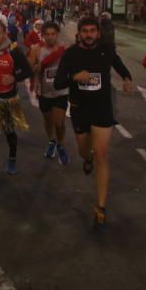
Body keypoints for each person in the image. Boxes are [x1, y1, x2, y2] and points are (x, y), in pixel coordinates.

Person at [54, 16, 133, 227]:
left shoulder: (105, 49)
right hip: (80, 109)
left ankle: (101, 205)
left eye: (92, 31)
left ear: (98, 33)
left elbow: (119, 64)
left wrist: (127, 78)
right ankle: (85, 158)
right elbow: (58, 81)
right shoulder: (71, 54)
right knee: (83, 150)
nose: (89, 35)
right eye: (85, 31)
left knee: (102, 154)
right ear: (79, 33)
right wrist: (74, 78)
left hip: (102, 109)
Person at [0, 19, 33, 185]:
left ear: (5, 34)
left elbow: (28, 71)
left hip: (8, 100)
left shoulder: (14, 51)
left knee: (9, 132)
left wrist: (14, 78)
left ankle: (12, 157)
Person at [31, 21, 71, 165]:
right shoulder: (36, 49)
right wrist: (39, 66)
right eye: (47, 34)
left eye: (53, 34)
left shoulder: (64, 49)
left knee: (59, 122)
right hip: (44, 92)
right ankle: (52, 141)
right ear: (43, 35)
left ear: (57, 34)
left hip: (61, 92)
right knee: (48, 121)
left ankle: (60, 144)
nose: (50, 37)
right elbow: (31, 69)